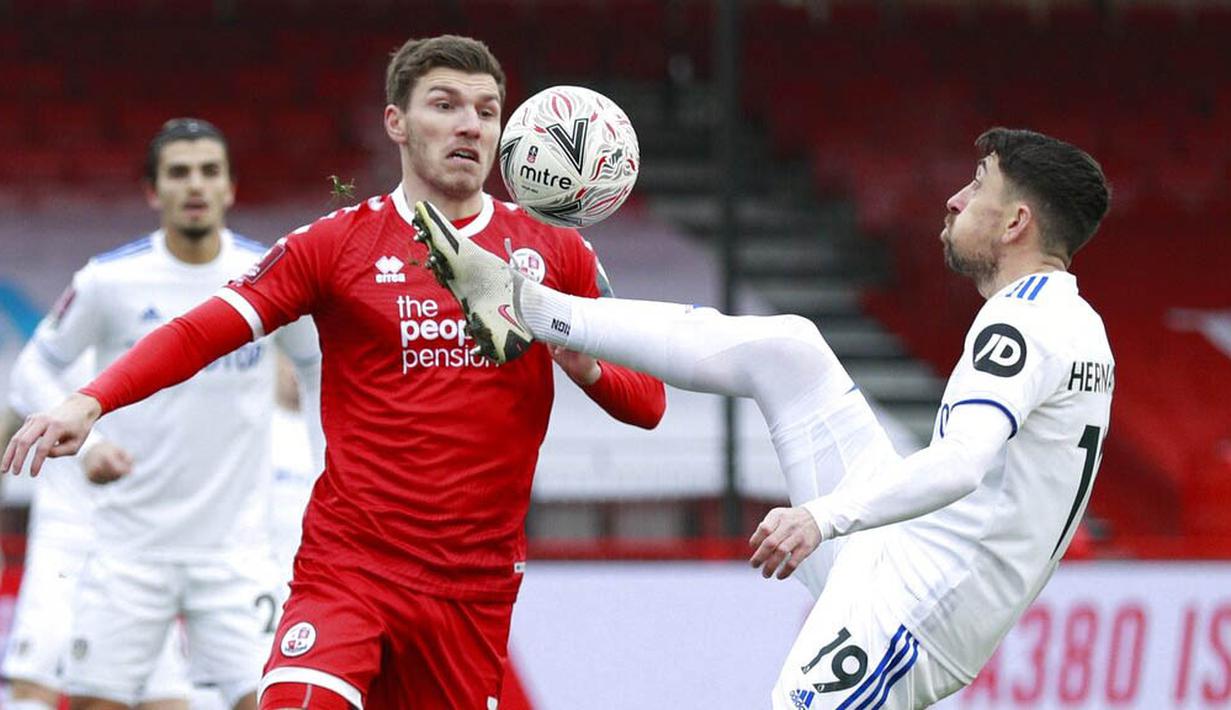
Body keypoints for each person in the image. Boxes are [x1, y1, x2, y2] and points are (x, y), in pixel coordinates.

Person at [2, 36, 666, 709]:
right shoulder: (336, 244)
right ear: (396, 123)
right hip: (350, 569)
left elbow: (649, 403)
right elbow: (202, 330)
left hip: (474, 588)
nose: (470, 124)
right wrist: (91, 401)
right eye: (445, 105)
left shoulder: (556, 253)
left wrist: (581, 360)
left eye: (487, 111)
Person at [414, 127, 1114, 709]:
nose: (956, 198)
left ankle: (529, 308)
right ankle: (529, 306)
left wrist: (820, 517)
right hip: (903, 552)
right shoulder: (1077, 324)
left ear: (1016, 222)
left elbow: (960, 463)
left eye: (978, 185)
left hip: (916, 608)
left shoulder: (1021, 325)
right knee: (790, 352)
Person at [2, 117, 324, 710]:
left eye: (209, 171)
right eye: (178, 173)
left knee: (273, 700)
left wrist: (328, 464)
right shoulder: (109, 281)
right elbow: (31, 371)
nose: (194, 184)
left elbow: (318, 367)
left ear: (230, 187)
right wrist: (89, 446)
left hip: (236, 552)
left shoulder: (272, 278)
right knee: (97, 703)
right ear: (154, 191)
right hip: (127, 550)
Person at [1, 355, 193, 710]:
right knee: (34, 686)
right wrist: (89, 448)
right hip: (65, 538)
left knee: (164, 695)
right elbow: (24, 383)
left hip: (141, 542)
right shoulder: (69, 341)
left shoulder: (172, 345)